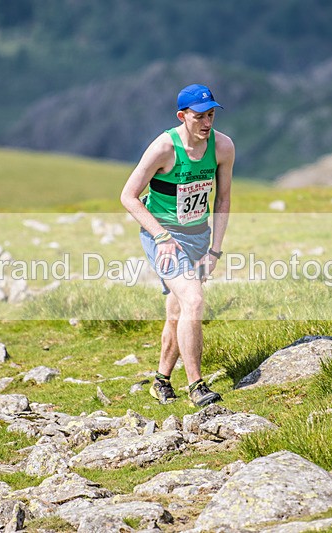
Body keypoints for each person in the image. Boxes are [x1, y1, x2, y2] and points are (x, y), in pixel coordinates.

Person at [120, 83, 235, 407]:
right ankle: (196, 385)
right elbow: (128, 196)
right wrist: (161, 235)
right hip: (164, 239)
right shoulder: (163, 148)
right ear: (182, 116)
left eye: (211, 115)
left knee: (177, 311)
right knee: (195, 301)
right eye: (199, 116)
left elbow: (223, 199)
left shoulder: (223, 147)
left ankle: (161, 380)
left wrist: (215, 249)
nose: (207, 123)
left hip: (198, 237)